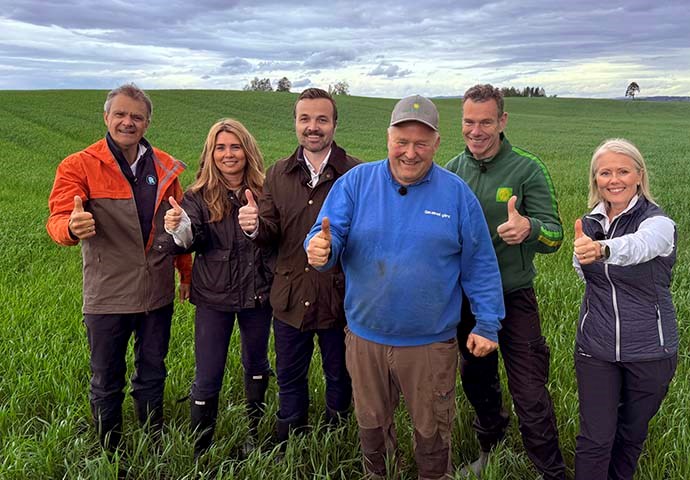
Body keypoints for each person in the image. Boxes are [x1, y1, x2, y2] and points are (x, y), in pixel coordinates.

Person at [305, 95, 505, 480]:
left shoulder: (456, 194)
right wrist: (319, 248)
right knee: (372, 427)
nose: (410, 153)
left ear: (436, 144)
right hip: (366, 339)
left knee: (432, 432)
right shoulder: (356, 183)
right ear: (387, 139)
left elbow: (479, 264)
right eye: (402, 142)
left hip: (430, 344)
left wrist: (487, 323)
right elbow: (326, 235)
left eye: (421, 143)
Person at [46, 84, 191, 451]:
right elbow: (58, 218)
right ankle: (111, 448)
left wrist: (185, 275)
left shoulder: (164, 166)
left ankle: (151, 439)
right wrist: (70, 228)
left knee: (153, 371)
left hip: (156, 292)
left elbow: (176, 225)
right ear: (106, 117)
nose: (128, 122)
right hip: (107, 293)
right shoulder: (79, 165)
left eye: (136, 117)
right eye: (121, 115)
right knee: (106, 378)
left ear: (147, 122)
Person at [445, 84, 565, 479]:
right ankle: (489, 449)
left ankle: (550, 470)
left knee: (530, 391)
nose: (475, 130)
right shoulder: (451, 172)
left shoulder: (527, 169)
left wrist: (529, 228)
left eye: (485, 122)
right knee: (478, 382)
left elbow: (555, 236)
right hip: (469, 302)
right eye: (468, 121)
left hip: (514, 298)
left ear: (502, 121)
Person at [238, 88, 358, 444]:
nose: (313, 127)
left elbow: (366, 238)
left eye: (322, 119)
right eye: (305, 119)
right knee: (290, 377)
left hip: (339, 299)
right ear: (295, 123)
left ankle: (336, 441)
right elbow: (270, 232)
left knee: (340, 376)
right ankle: (289, 439)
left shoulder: (356, 174)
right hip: (289, 298)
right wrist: (255, 225)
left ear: (335, 124)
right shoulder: (277, 174)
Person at [164, 119, 274, 458]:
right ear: (211, 153)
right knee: (209, 370)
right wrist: (179, 227)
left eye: (235, 146)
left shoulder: (266, 191)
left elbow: (276, 237)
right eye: (220, 148)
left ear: (247, 150)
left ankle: (254, 432)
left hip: (258, 293)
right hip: (214, 296)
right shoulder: (197, 196)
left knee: (256, 363)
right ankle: (201, 447)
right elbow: (190, 239)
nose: (228, 154)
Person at [572, 138, 678, 480]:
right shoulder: (588, 225)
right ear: (595, 179)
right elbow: (585, 277)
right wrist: (588, 251)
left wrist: (602, 250)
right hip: (595, 349)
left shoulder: (659, 223)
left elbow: (640, 246)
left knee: (631, 435)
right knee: (594, 439)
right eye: (605, 172)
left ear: (638, 176)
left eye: (622, 171)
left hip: (650, 351)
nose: (613, 179)